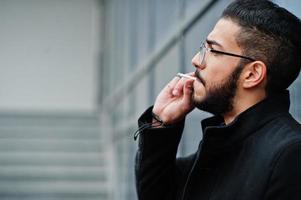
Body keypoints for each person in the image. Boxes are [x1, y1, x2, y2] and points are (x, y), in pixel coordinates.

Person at [134, 0, 301, 199]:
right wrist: (161, 124)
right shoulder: (216, 147)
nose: (196, 59)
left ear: (252, 74)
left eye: (212, 50)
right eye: (202, 47)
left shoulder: (289, 156)